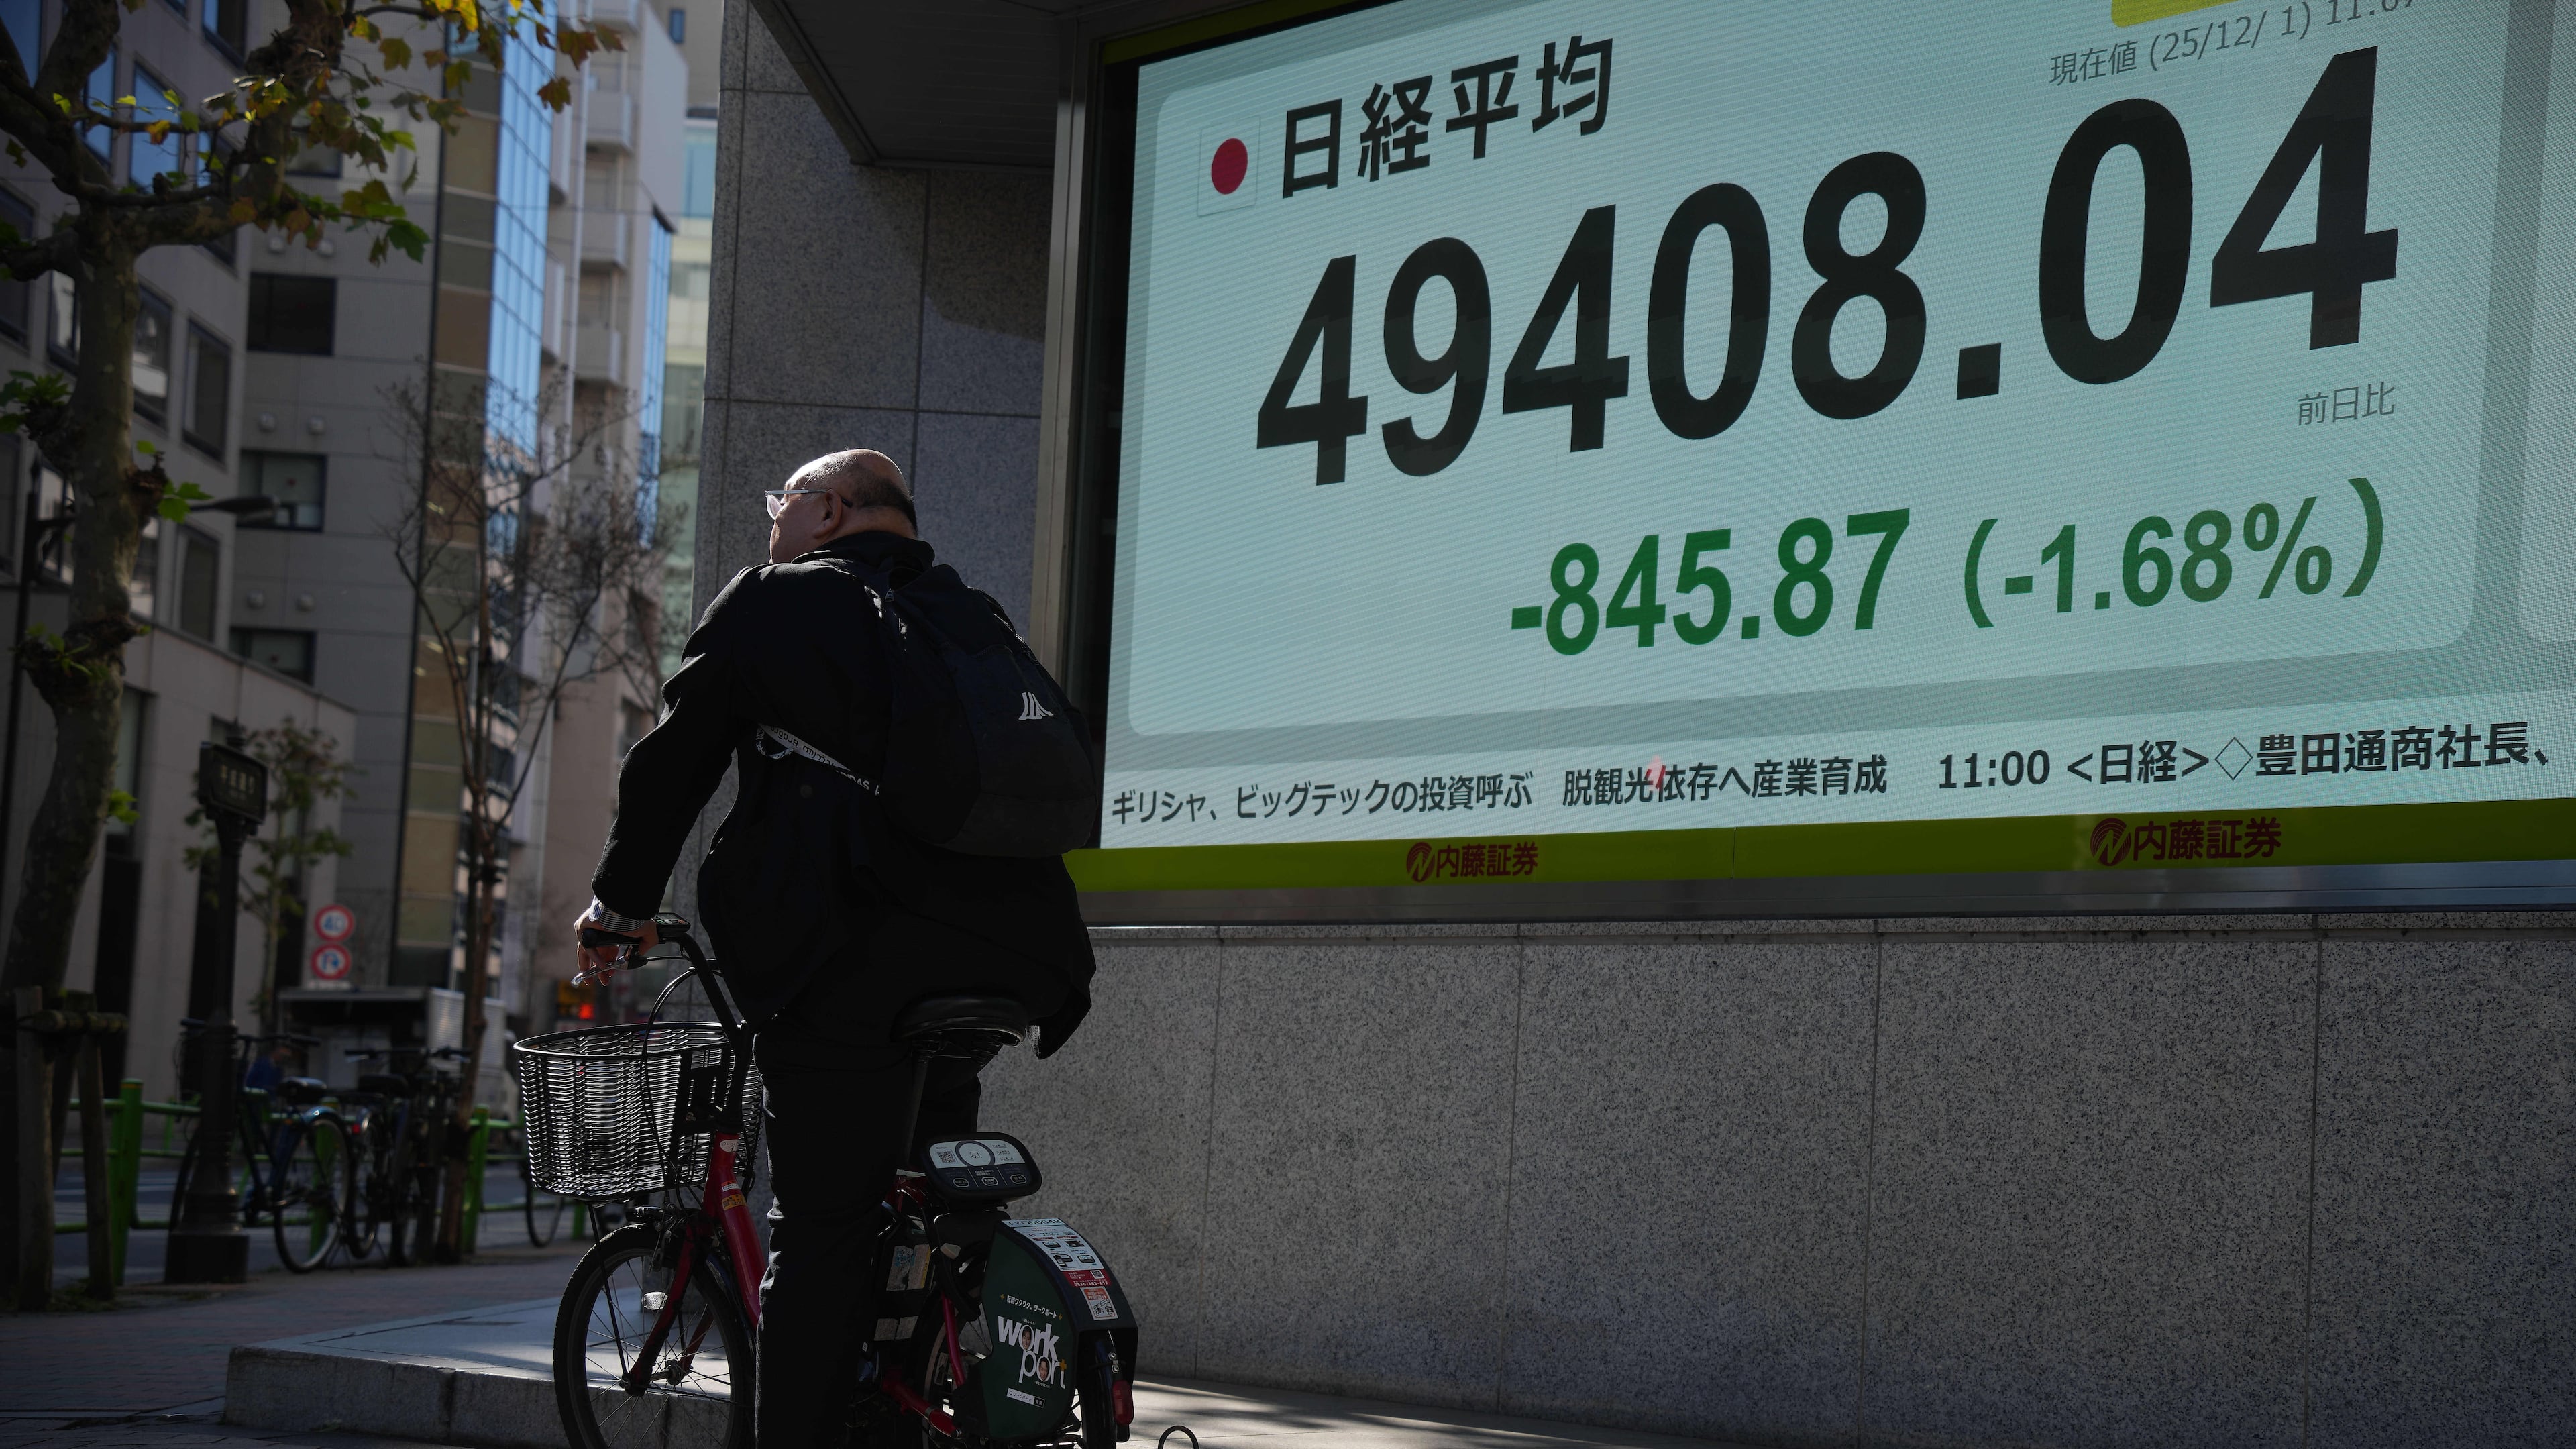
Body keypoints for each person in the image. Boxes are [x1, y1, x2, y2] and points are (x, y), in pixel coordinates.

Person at [572, 448, 1095, 1448]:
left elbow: (675, 764)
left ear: (826, 511)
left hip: (851, 963)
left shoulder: (775, 600)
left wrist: (621, 908)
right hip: (1007, 958)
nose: (774, 521)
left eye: (782, 503)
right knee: (926, 1207)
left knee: (823, 1231)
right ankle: (922, 1389)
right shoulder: (972, 618)